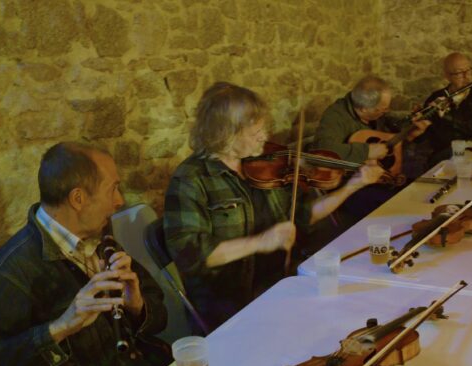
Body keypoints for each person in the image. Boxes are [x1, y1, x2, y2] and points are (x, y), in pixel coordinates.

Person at [164, 82, 383, 331]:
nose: (265, 137)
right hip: (230, 304)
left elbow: (304, 214)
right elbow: (189, 254)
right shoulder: (191, 179)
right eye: (255, 132)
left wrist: (354, 185)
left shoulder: (263, 165)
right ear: (225, 133)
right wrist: (261, 241)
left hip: (281, 283)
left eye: (263, 128)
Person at [0, 142, 169, 366]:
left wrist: (136, 305)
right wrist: (60, 327)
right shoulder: (11, 269)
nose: (119, 201)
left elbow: (159, 316)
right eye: (113, 189)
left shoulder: (99, 233)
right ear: (78, 199)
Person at [311, 76, 432, 222]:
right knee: (397, 209)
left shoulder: (376, 116)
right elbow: (324, 152)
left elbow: (387, 142)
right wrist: (367, 151)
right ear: (364, 108)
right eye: (382, 110)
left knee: (420, 193)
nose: (386, 112)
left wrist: (409, 135)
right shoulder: (335, 117)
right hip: (351, 185)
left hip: (380, 179)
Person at [419, 52, 472, 169]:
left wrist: (447, 115)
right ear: (447, 76)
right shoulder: (436, 97)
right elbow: (425, 136)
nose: (466, 76)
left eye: (468, 70)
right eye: (459, 73)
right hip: (443, 156)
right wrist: (418, 123)